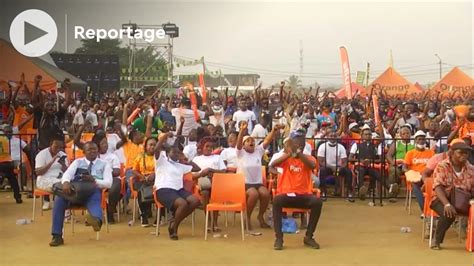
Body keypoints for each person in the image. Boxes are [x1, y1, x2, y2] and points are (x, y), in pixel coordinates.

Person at [49, 141, 113, 247]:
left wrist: (94, 180)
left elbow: (109, 183)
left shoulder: (105, 164)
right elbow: (67, 174)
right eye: (89, 149)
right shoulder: (78, 162)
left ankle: (96, 221)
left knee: (96, 198)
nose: (92, 151)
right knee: (59, 200)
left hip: (92, 191)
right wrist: (65, 183)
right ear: (84, 152)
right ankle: (57, 236)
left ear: (98, 151)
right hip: (74, 192)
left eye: (94, 149)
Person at [270, 131, 323, 250]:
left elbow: (312, 166)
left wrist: (300, 154)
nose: (297, 147)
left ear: (303, 146)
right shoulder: (286, 159)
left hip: (303, 195)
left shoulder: (309, 158)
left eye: (300, 145)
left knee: (317, 202)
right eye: (295, 144)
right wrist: (289, 154)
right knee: (277, 200)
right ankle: (279, 238)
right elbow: (273, 165)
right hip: (287, 195)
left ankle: (309, 237)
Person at [236, 121, 282, 230]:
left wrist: (273, 131)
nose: (251, 142)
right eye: (248, 141)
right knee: (254, 194)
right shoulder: (240, 153)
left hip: (257, 183)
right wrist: (242, 131)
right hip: (244, 184)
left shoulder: (258, 151)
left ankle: (260, 216)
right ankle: (247, 217)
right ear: (243, 145)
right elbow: (238, 144)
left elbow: (267, 141)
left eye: (252, 140)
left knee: (265, 194)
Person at [154, 133, 201, 240]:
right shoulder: (161, 161)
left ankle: (174, 222)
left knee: (195, 201)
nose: (176, 154)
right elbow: (156, 149)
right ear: (167, 153)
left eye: (178, 152)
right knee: (183, 204)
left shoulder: (180, 165)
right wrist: (164, 137)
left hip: (178, 190)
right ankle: (174, 229)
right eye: (173, 152)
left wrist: (185, 158)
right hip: (164, 189)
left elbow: (197, 169)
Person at [430, 141, 474, 250]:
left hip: (463, 199)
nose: (464, 156)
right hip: (442, 198)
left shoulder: (471, 169)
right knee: (449, 213)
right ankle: (436, 240)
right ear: (451, 153)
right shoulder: (442, 166)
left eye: (466, 153)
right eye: (460, 153)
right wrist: (447, 204)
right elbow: (438, 187)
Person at [349, 127, 399, 201]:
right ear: (362, 136)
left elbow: (381, 159)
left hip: (371, 166)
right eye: (366, 134)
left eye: (369, 134)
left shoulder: (376, 146)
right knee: (361, 171)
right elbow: (350, 158)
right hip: (360, 166)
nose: (368, 136)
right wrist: (361, 161)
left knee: (376, 173)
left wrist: (371, 161)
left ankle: (390, 187)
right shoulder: (356, 145)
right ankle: (361, 190)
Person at [192, 137, 227, 231]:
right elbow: (192, 175)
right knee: (205, 193)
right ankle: (208, 219)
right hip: (202, 183)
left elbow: (224, 171)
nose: (209, 148)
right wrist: (202, 173)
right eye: (207, 146)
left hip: (216, 182)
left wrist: (211, 170)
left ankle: (215, 221)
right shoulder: (197, 159)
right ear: (202, 147)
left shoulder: (217, 157)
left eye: (211, 147)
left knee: (216, 193)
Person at [317, 128, 354, 202]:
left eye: (334, 136)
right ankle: (323, 192)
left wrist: (340, 167)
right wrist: (331, 167)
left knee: (348, 171)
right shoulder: (322, 146)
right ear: (327, 136)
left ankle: (349, 193)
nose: (333, 137)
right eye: (331, 135)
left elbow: (344, 161)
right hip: (327, 167)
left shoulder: (341, 147)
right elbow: (320, 161)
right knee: (322, 171)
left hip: (339, 168)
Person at [402, 130, 435, 211]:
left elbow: (435, 166)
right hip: (416, 176)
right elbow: (404, 167)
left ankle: (432, 210)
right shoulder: (410, 153)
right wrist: (410, 172)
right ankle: (425, 209)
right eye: (419, 139)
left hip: (428, 176)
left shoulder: (431, 153)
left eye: (423, 139)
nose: (421, 141)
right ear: (415, 140)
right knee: (415, 185)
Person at [35, 135, 68, 210]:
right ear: (50, 145)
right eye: (56, 146)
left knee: (69, 186)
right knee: (62, 188)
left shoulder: (62, 154)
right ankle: (60, 207)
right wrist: (52, 161)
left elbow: (67, 172)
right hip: (44, 179)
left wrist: (63, 164)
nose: (58, 149)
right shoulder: (42, 154)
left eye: (60, 147)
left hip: (60, 178)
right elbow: (38, 172)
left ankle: (61, 206)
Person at [132, 137, 157, 227]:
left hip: (157, 179)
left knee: (162, 189)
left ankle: (160, 217)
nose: (153, 147)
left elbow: (164, 169)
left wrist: (154, 174)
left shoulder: (160, 157)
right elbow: (134, 170)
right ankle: (144, 216)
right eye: (150, 145)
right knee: (140, 191)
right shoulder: (140, 156)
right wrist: (142, 177)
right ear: (145, 146)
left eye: (155, 145)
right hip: (142, 179)